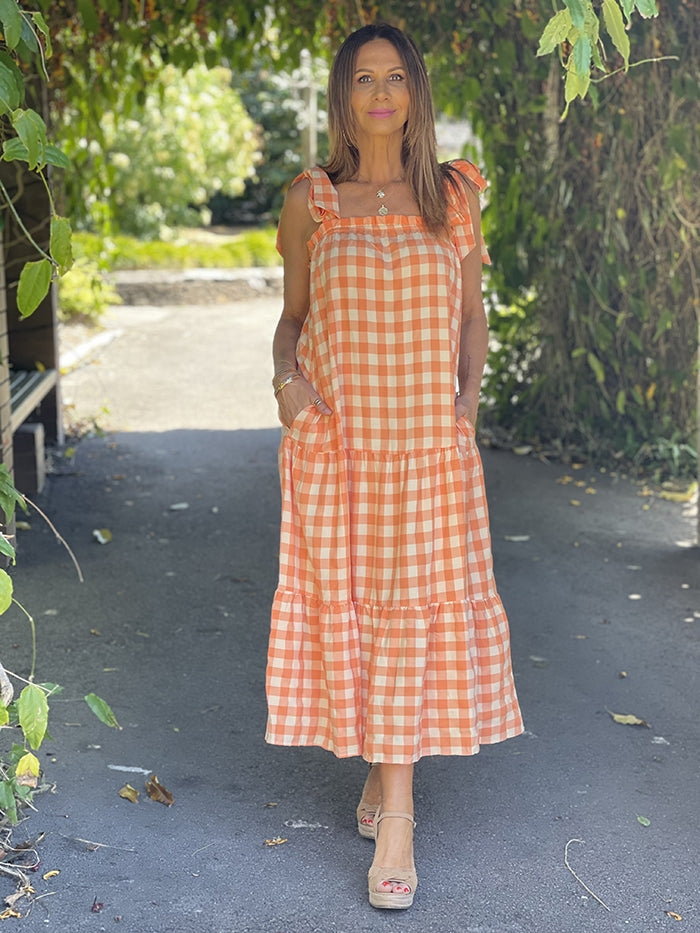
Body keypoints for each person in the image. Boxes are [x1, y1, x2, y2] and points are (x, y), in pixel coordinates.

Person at [266, 22, 523, 910]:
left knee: (407, 611)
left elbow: (472, 319)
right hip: (341, 449)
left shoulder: (453, 196)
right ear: (343, 97)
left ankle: (399, 814)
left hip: (426, 450)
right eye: (363, 79)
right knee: (368, 609)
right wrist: (287, 390)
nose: (380, 94)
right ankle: (386, 778)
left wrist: (465, 409)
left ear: (415, 91)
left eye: (395, 78)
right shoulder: (313, 201)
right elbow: (292, 321)